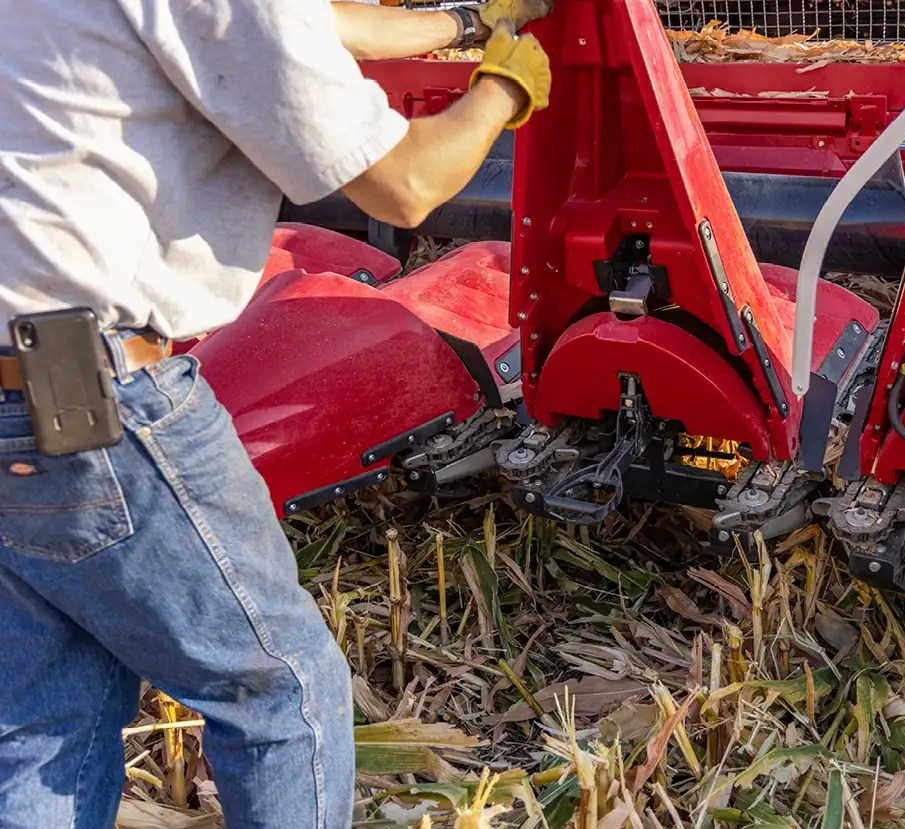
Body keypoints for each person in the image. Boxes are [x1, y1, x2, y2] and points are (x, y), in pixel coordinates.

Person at [0, 1, 550, 827]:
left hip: (18, 399)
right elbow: (407, 186)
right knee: (279, 691)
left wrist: (466, 21)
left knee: (49, 718)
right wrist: (506, 86)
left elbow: (295, 24)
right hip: (95, 403)